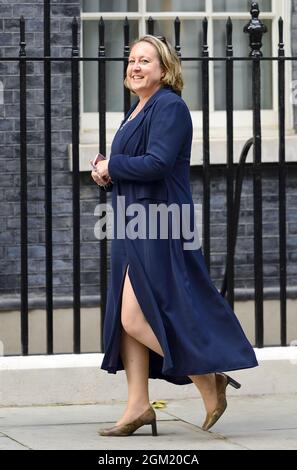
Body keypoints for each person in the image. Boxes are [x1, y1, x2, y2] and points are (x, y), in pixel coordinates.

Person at [91, 35, 258, 437]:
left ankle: (207, 378)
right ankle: (137, 406)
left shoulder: (170, 106)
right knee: (125, 317)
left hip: (161, 221)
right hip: (132, 219)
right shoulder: (138, 109)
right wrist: (106, 172)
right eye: (131, 60)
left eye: (144, 61)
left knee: (136, 315)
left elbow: (158, 163)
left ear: (164, 70)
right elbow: (133, 167)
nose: (134, 67)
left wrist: (114, 164)